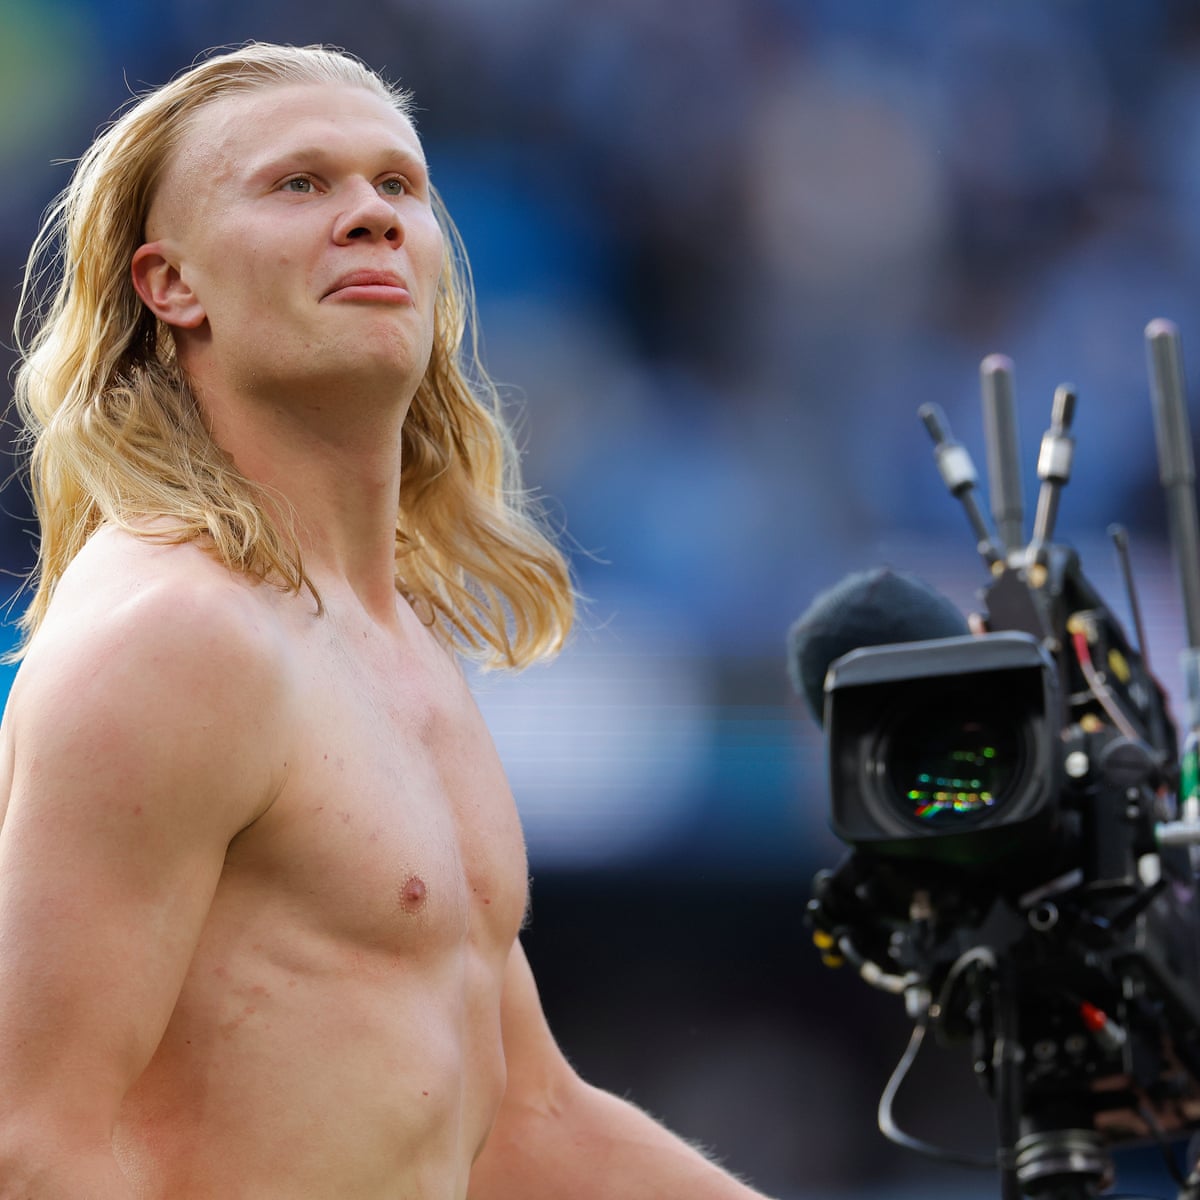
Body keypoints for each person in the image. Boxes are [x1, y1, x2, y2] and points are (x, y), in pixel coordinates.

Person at [0, 41, 775, 1200]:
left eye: (398, 184)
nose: (371, 215)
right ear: (171, 285)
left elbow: (527, 1120)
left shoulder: (392, 639)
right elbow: (32, 1144)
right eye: (298, 183)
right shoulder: (174, 634)